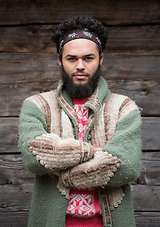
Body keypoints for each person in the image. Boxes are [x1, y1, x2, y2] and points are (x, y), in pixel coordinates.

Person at [18, 16, 142, 227]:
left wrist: (60, 166)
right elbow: (33, 158)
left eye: (88, 58)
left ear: (101, 59)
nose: (80, 66)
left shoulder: (123, 107)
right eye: (72, 59)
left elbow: (127, 167)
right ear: (60, 60)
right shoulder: (37, 105)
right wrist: (94, 152)